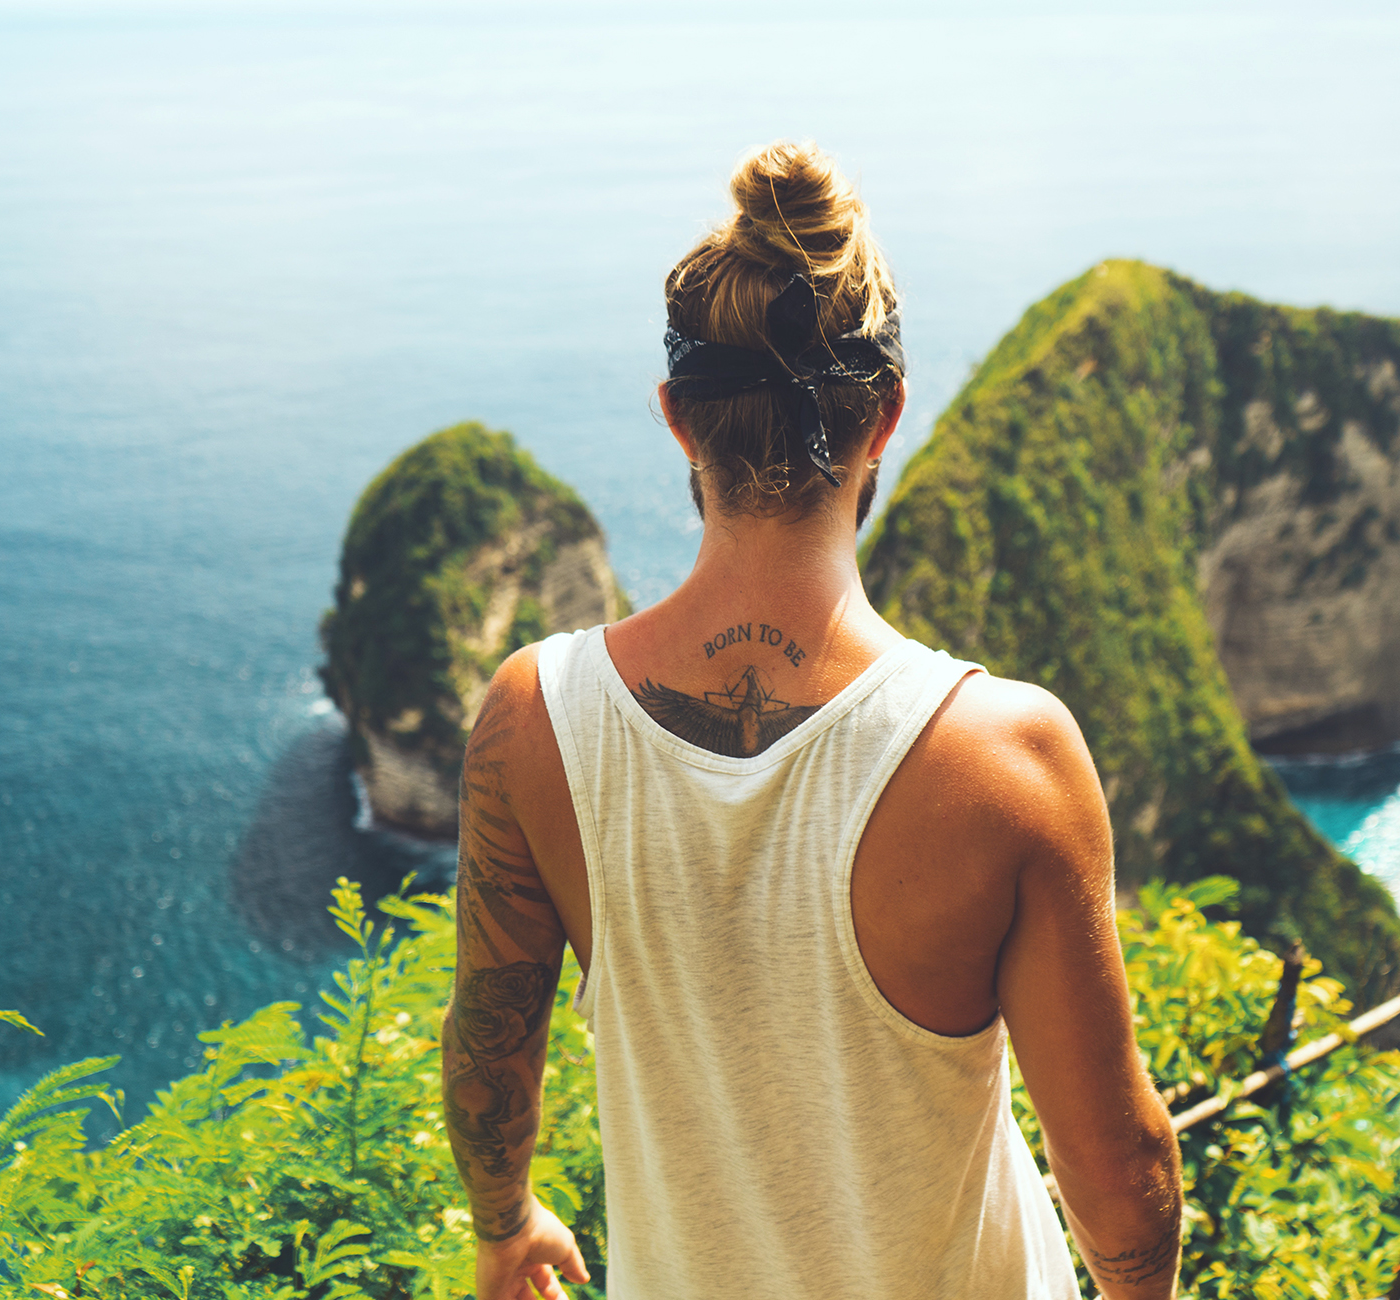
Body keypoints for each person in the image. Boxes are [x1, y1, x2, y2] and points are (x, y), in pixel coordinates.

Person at [441, 140, 1182, 1300]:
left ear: (677, 419)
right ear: (885, 417)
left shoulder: (531, 720)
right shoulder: (1003, 756)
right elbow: (1116, 1163)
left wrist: (505, 1222)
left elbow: (491, 1034)